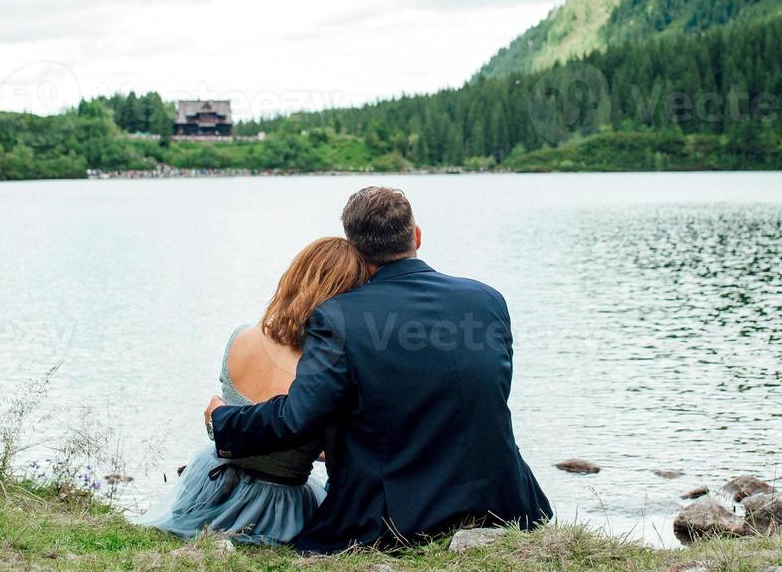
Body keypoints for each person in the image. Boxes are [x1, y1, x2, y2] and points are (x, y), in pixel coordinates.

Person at [206, 186, 551, 553]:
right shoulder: (488, 301)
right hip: (505, 503)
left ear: (353, 251)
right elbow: (472, 398)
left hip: (398, 521)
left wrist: (226, 419)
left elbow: (296, 418)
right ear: (416, 235)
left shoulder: (338, 317)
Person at [141, 237, 369, 544]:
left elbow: (223, 422)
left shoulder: (242, 337)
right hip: (278, 505)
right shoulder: (329, 372)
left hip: (211, 486)